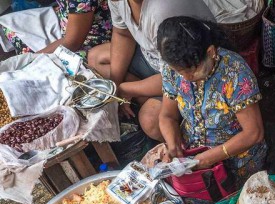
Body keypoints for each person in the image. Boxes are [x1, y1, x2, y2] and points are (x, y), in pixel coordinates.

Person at [157, 16, 266, 186]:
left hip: (237, 160)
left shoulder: (235, 74)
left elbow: (254, 133)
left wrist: (209, 157)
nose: (186, 78)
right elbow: (167, 116)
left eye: (192, 71)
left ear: (210, 52)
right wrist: (173, 144)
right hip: (193, 155)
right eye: (180, 71)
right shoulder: (173, 71)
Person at [87, 0, 216, 141]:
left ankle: (191, 143)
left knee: (151, 121)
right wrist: (115, 87)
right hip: (156, 60)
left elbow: (178, 75)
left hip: (194, 73)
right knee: (95, 58)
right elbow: (123, 35)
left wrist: (124, 89)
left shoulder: (162, 11)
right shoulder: (118, 1)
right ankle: (146, 97)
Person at [1, 0, 111, 58]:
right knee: (11, 27)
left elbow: (71, 43)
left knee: (31, 63)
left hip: (91, 41)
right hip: (65, 22)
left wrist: (31, 59)